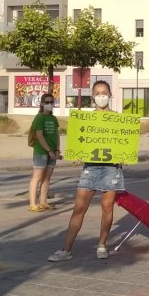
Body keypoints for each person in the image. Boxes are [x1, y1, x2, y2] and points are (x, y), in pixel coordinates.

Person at [49, 80, 124, 262]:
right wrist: (77, 153)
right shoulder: (85, 120)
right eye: (97, 93)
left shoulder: (119, 119)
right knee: (79, 208)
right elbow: (79, 142)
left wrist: (123, 156)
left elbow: (124, 143)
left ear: (110, 95)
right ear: (92, 97)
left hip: (111, 168)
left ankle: (102, 245)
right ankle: (66, 250)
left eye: (104, 92)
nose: (101, 96)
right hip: (90, 167)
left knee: (107, 208)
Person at [28, 93, 61, 212]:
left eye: (51, 102)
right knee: (37, 177)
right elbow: (39, 135)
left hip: (52, 152)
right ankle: (32, 203)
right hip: (41, 151)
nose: (49, 104)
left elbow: (57, 135)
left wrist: (57, 150)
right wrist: (48, 150)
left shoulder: (53, 118)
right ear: (42, 104)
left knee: (47, 178)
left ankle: (43, 202)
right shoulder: (39, 117)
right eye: (47, 102)